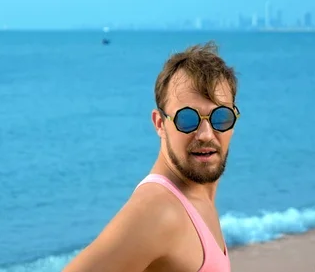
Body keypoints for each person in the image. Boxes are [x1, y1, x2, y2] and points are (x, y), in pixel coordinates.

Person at [62, 41, 239, 272]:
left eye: (220, 117)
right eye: (187, 119)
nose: (206, 134)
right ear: (159, 124)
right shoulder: (157, 210)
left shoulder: (198, 195)